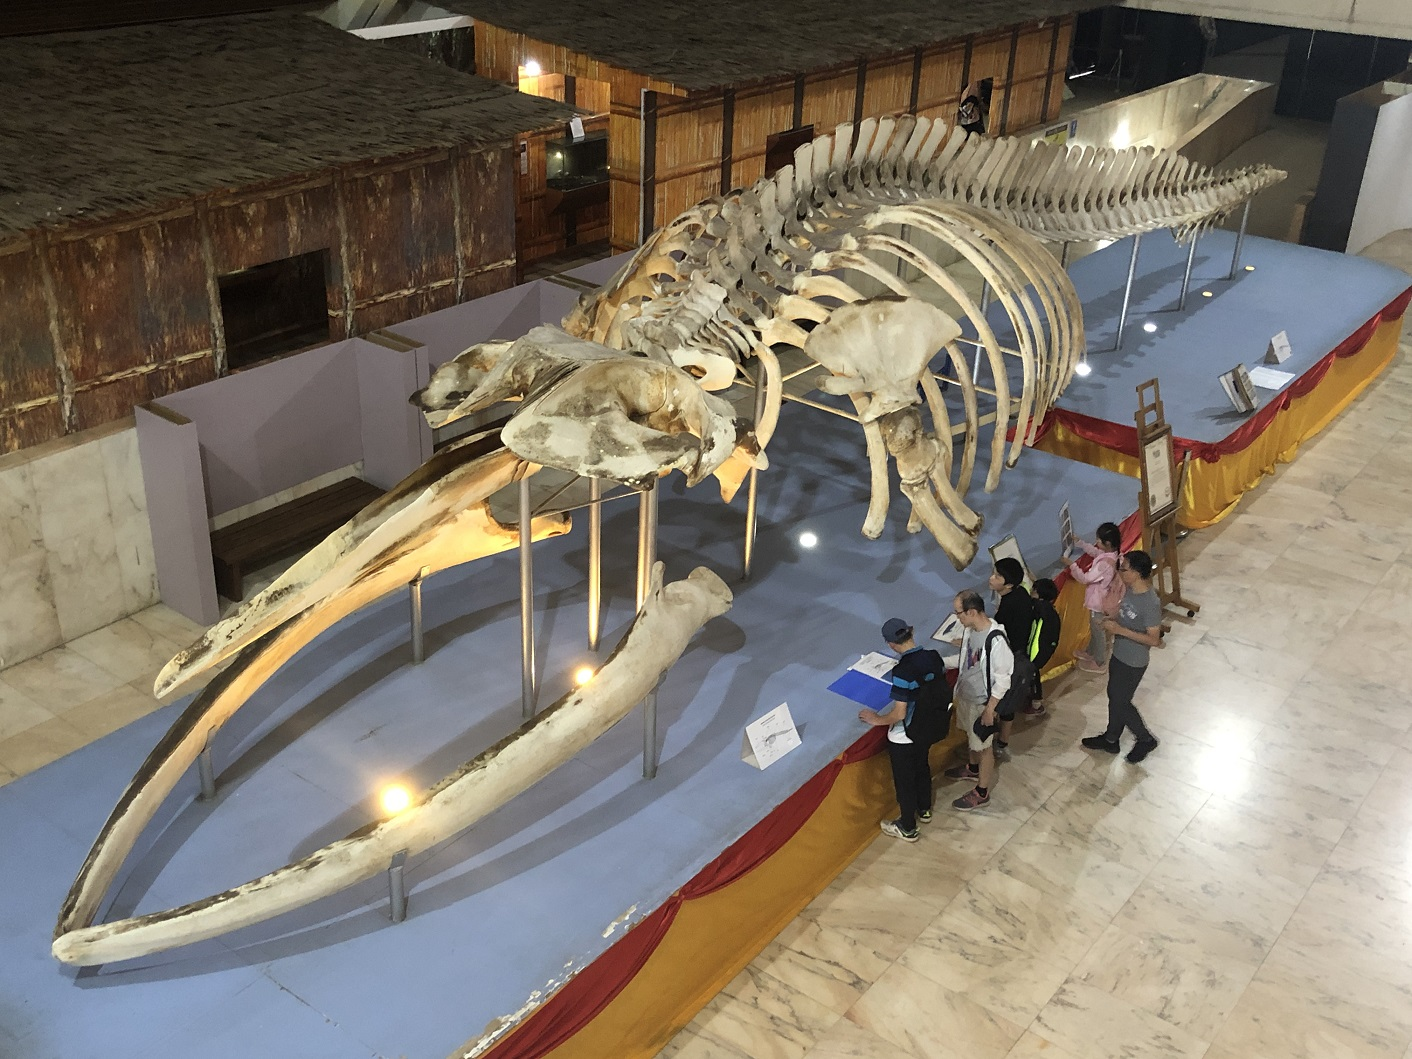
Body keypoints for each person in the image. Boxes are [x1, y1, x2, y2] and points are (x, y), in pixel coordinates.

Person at [859, 618, 949, 841]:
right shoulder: (934, 657)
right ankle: (925, 809)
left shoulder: (903, 672)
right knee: (922, 767)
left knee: (905, 782)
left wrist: (876, 719)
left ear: (890, 644)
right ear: (912, 631)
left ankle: (907, 826)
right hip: (930, 727)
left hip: (906, 735)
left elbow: (899, 714)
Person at [1081, 550, 1163, 763]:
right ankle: (1111, 739)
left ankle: (1145, 739)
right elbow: (1126, 613)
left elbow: (1154, 640)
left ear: (1135, 573)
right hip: (1119, 654)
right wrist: (1112, 618)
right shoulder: (1130, 589)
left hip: (1134, 661)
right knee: (1114, 697)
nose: (1120, 572)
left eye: (1123, 569)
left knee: (1120, 701)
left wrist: (1119, 630)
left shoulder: (1151, 602)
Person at [942, 591, 1012, 811]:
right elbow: (967, 660)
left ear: (972, 612)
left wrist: (990, 709)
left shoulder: (996, 640)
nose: (957, 617)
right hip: (965, 695)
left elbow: (1003, 680)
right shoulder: (970, 631)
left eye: (958, 612)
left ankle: (982, 792)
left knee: (984, 748)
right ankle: (972, 769)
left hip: (982, 702)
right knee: (971, 739)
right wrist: (939, 661)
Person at [988, 557, 1034, 756]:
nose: (991, 578)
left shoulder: (1008, 606)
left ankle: (999, 744)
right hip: (1020, 651)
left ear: (1008, 584)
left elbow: (998, 634)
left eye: (997, 576)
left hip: (1011, 658)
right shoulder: (1021, 593)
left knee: (1004, 701)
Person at [1064, 521, 1122, 673]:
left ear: (1107, 543)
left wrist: (1072, 565)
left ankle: (1100, 661)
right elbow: (1096, 553)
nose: (1096, 542)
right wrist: (1081, 543)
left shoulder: (1104, 565)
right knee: (1094, 628)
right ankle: (1090, 652)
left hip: (1098, 603)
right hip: (1100, 599)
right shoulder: (1112, 555)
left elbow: (1085, 579)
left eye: (1098, 540)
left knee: (1098, 631)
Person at [1026, 578, 1062, 716]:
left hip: (1038, 652)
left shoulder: (1041, 608)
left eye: (1033, 589)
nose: (1030, 591)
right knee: (1033, 673)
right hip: (1043, 650)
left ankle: (1037, 704)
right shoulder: (1049, 610)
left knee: (1033, 674)